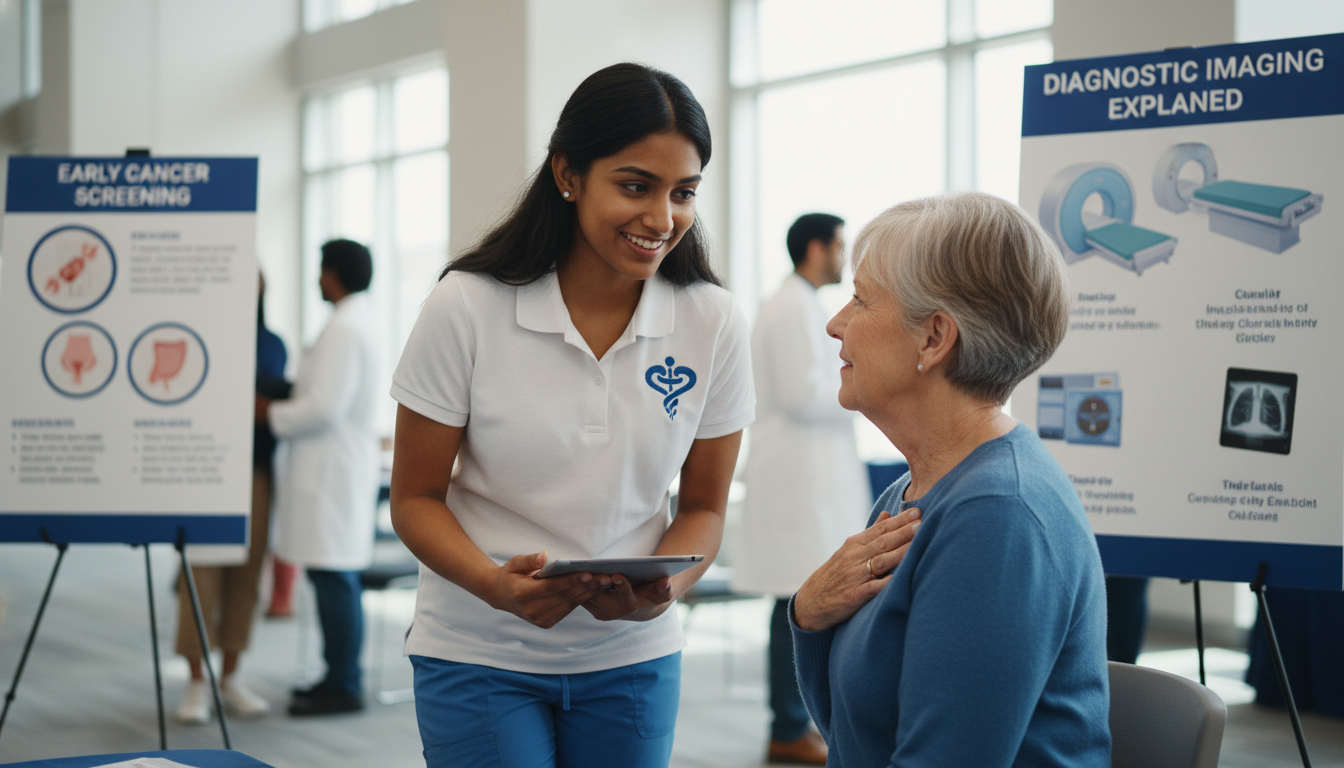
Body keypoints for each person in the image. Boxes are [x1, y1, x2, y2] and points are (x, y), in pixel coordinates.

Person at [389, 63, 754, 768]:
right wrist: (496, 585)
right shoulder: (468, 305)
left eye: (683, 193)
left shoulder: (712, 321)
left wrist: (663, 590)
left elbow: (705, 507)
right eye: (635, 185)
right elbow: (415, 498)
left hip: (634, 658)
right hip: (477, 650)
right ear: (568, 174)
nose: (662, 218)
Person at [791, 193, 1111, 767]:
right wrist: (808, 616)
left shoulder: (1000, 515)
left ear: (934, 338)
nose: (837, 324)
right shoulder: (914, 490)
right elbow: (859, 737)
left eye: (861, 301)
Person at [733, 213, 868, 765]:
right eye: (839, 245)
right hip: (797, 479)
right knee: (796, 600)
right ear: (815, 248)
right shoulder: (790, 307)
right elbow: (802, 392)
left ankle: (796, 723)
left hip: (810, 477)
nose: (843, 256)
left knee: (803, 598)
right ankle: (789, 726)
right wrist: (870, 381)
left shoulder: (802, 304)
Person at [258, 239, 381, 716]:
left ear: (333, 274)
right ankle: (337, 675)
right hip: (332, 471)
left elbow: (325, 407)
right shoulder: (351, 322)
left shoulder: (347, 327)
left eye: (320, 269)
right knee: (333, 579)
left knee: (335, 581)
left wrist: (269, 411)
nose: (316, 279)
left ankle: (343, 683)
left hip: (332, 472)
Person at [174, 272, 286, 723]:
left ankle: (231, 677)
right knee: (198, 577)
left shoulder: (271, 343)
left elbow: (266, 399)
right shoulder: (198, 335)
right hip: (203, 467)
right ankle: (196, 681)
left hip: (254, 473)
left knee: (246, 573)